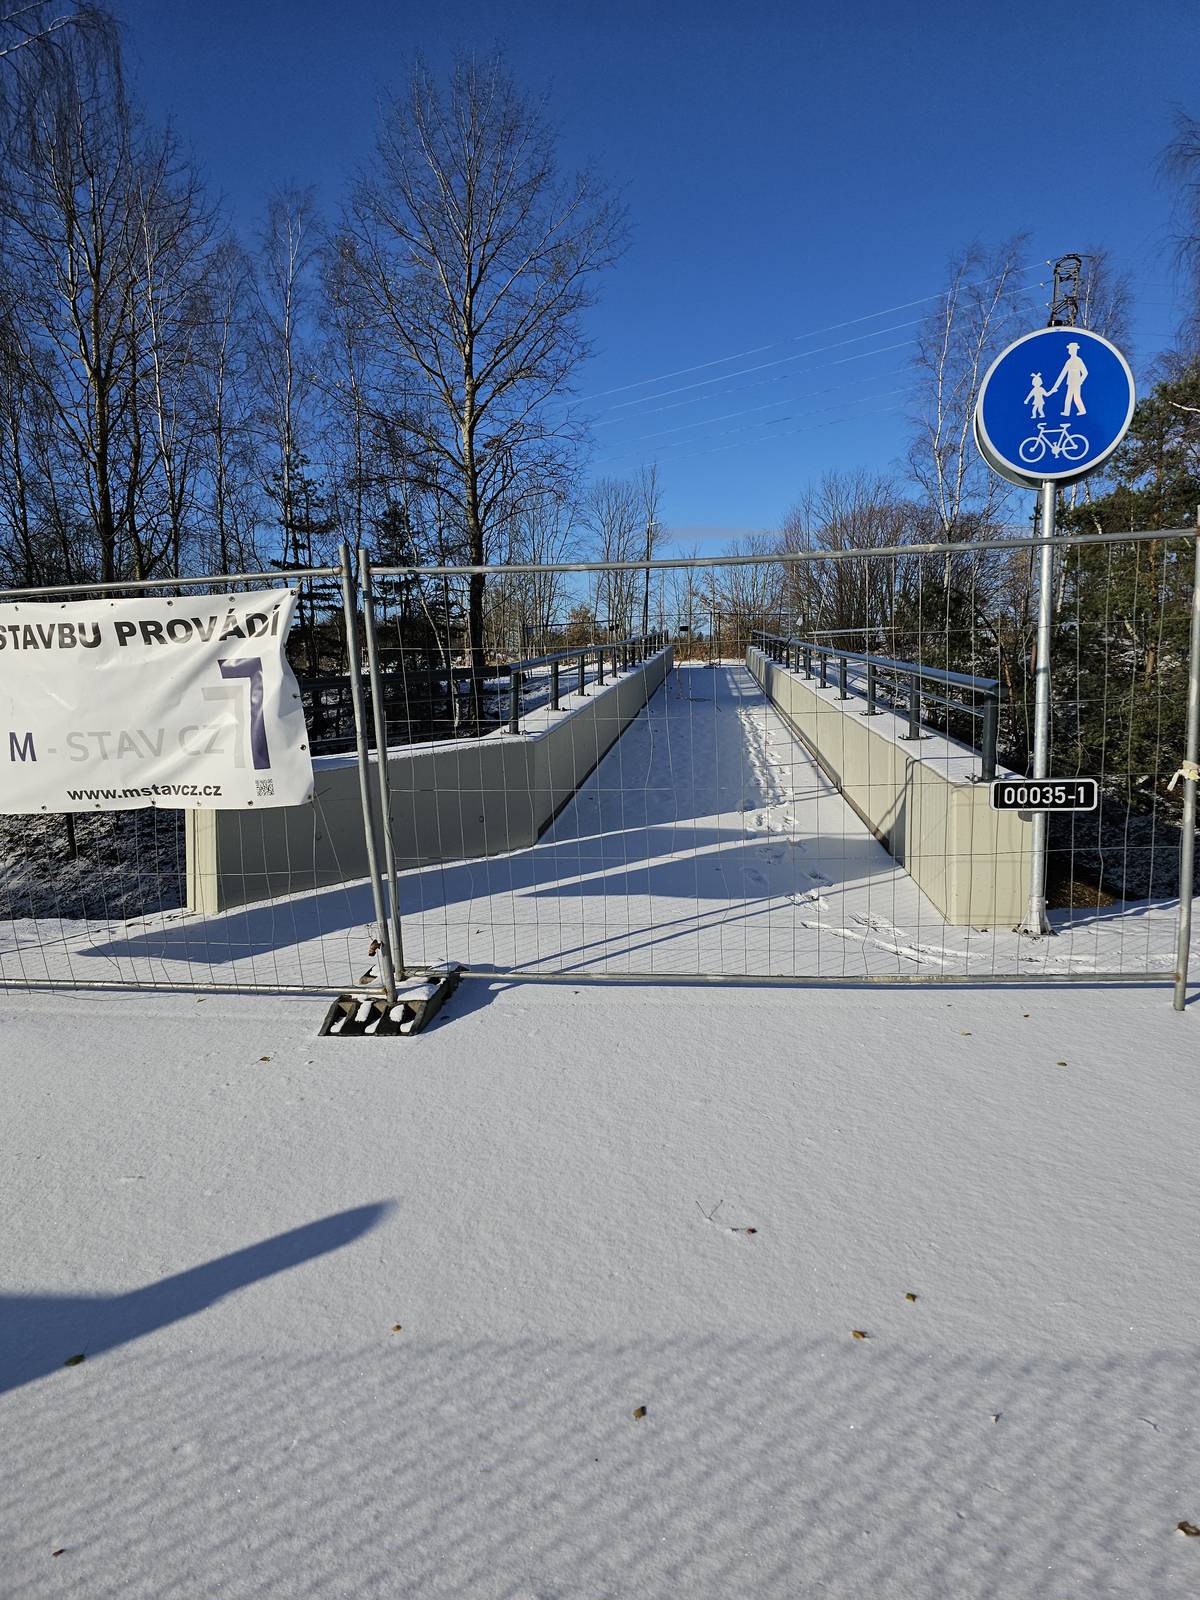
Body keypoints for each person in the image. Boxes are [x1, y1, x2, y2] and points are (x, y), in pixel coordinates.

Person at [1047, 342, 1088, 417]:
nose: (1071, 351)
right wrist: (1055, 386)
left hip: (1076, 383)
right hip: (1070, 383)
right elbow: (1062, 374)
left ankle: (1082, 411)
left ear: (1075, 350)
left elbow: (1085, 372)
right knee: (1069, 397)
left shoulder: (1078, 360)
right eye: (1070, 349)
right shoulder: (1069, 361)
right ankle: (1067, 412)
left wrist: (1080, 381)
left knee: (1076, 397)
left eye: (1072, 349)